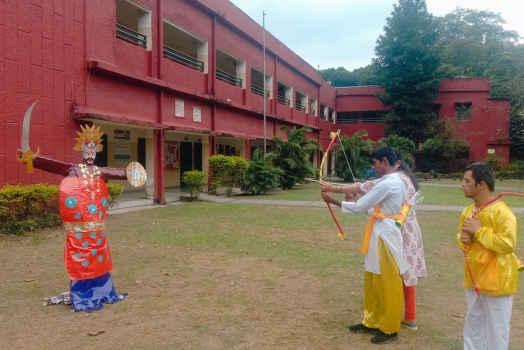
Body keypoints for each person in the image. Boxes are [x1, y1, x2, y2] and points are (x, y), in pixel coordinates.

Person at [17, 123, 146, 312]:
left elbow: (117, 172)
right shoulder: (73, 169)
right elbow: (53, 165)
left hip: (97, 229)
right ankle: (83, 293)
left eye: (94, 151)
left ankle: (102, 290)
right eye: (88, 151)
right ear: (82, 151)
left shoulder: (99, 171)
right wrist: (32, 159)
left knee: (99, 257)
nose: (91, 154)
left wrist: (132, 173)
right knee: (81, 259)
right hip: (79, 231)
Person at [321, 148, 426, 330]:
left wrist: (335, 200)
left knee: (388, 282)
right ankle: (372, 320)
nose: (373, 167)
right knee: (373, 278)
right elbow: (377, 212)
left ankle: (389, 328)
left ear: (385, 161)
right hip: (378, 233)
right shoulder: (388, 181)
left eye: (375, 163)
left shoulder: (391, 183)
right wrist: (353, 202)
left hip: (387, 237)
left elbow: (361, 206)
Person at [458, 162, 519, 350]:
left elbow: (508, 244)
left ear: (481, 184)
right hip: (474, 276)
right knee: (474, 322)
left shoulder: (503, 213)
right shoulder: (467, 211)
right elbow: (462, 240)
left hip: (498, 280)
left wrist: (479, 232)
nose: (462, 184)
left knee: (497, 327)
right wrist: (464, 239)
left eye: (467, 180)